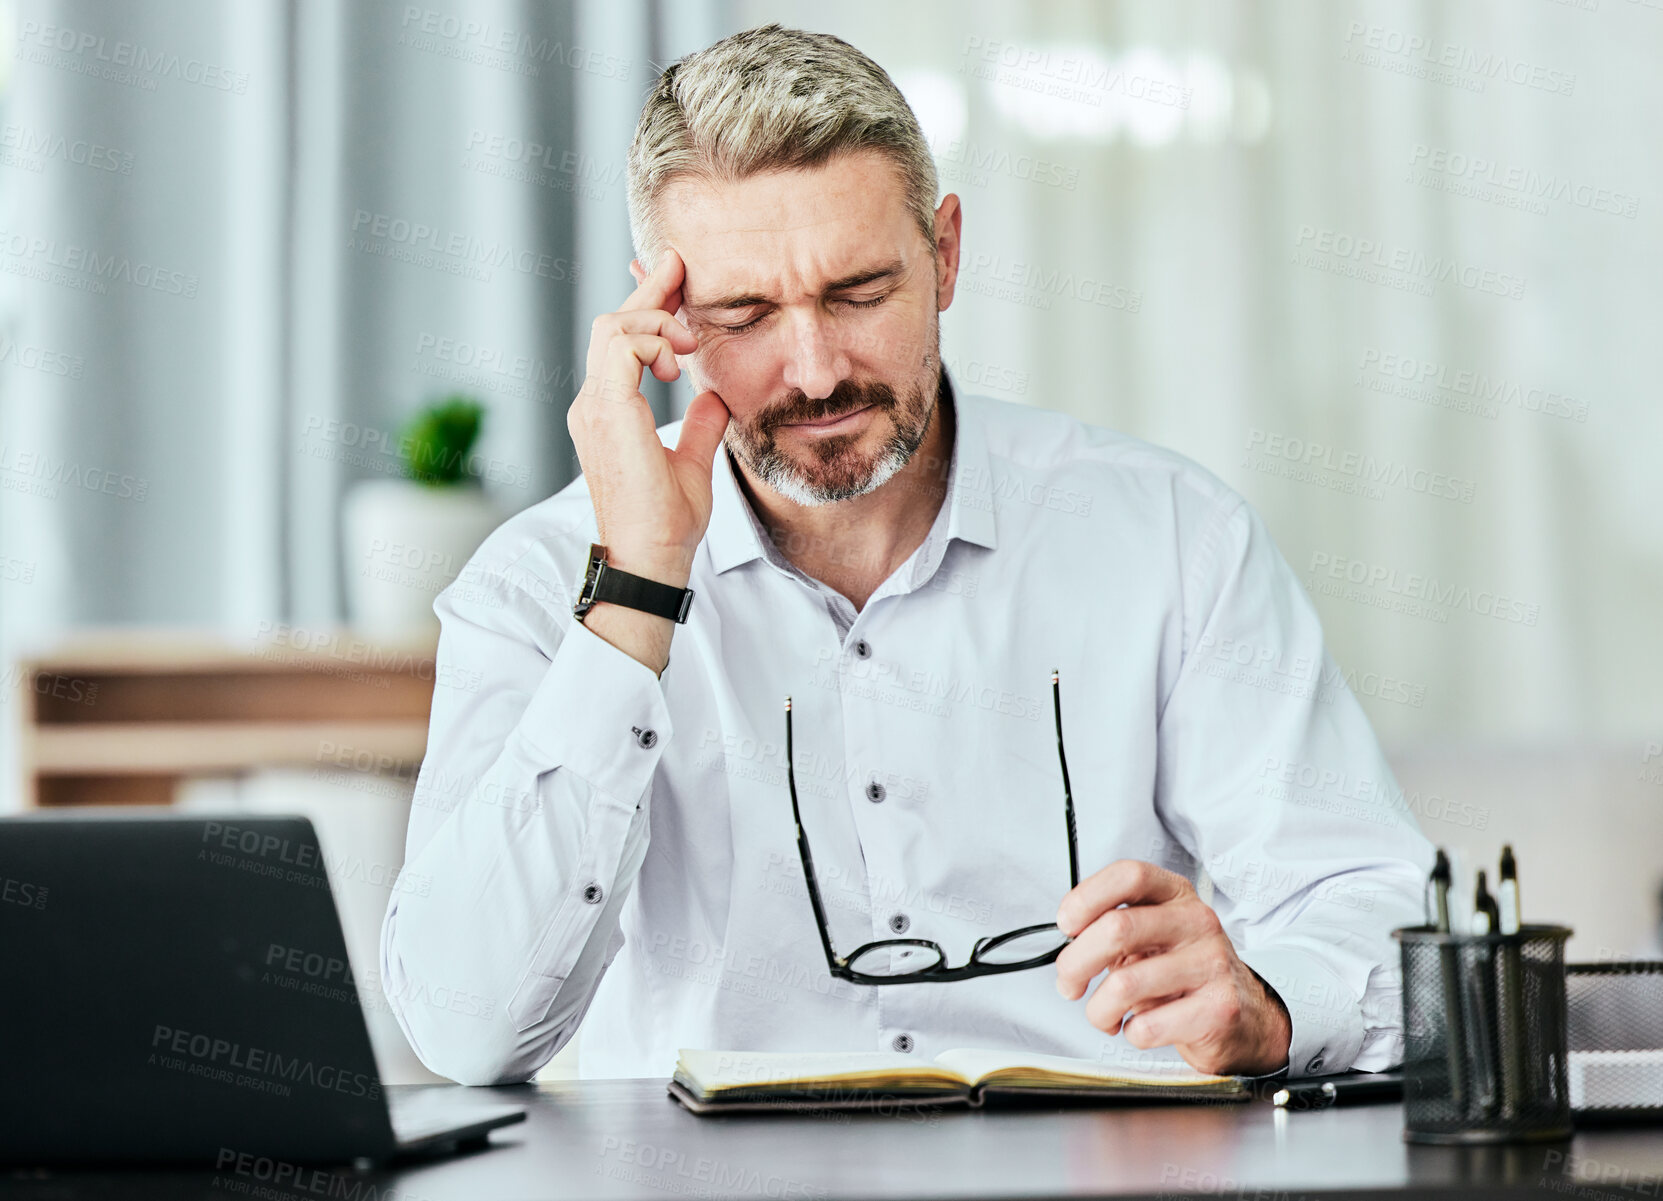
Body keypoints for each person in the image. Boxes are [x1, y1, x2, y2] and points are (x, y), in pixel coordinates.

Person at [379, 23, 1433, 1086]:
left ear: (946, 254)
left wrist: (1269, 1003)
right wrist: (636, 590)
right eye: (744, 312)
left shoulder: (1171, 539)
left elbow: (1385, 921)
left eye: (859, 293)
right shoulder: (533, 584)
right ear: (666, 313)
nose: (816, 368)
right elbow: (467, 1031)